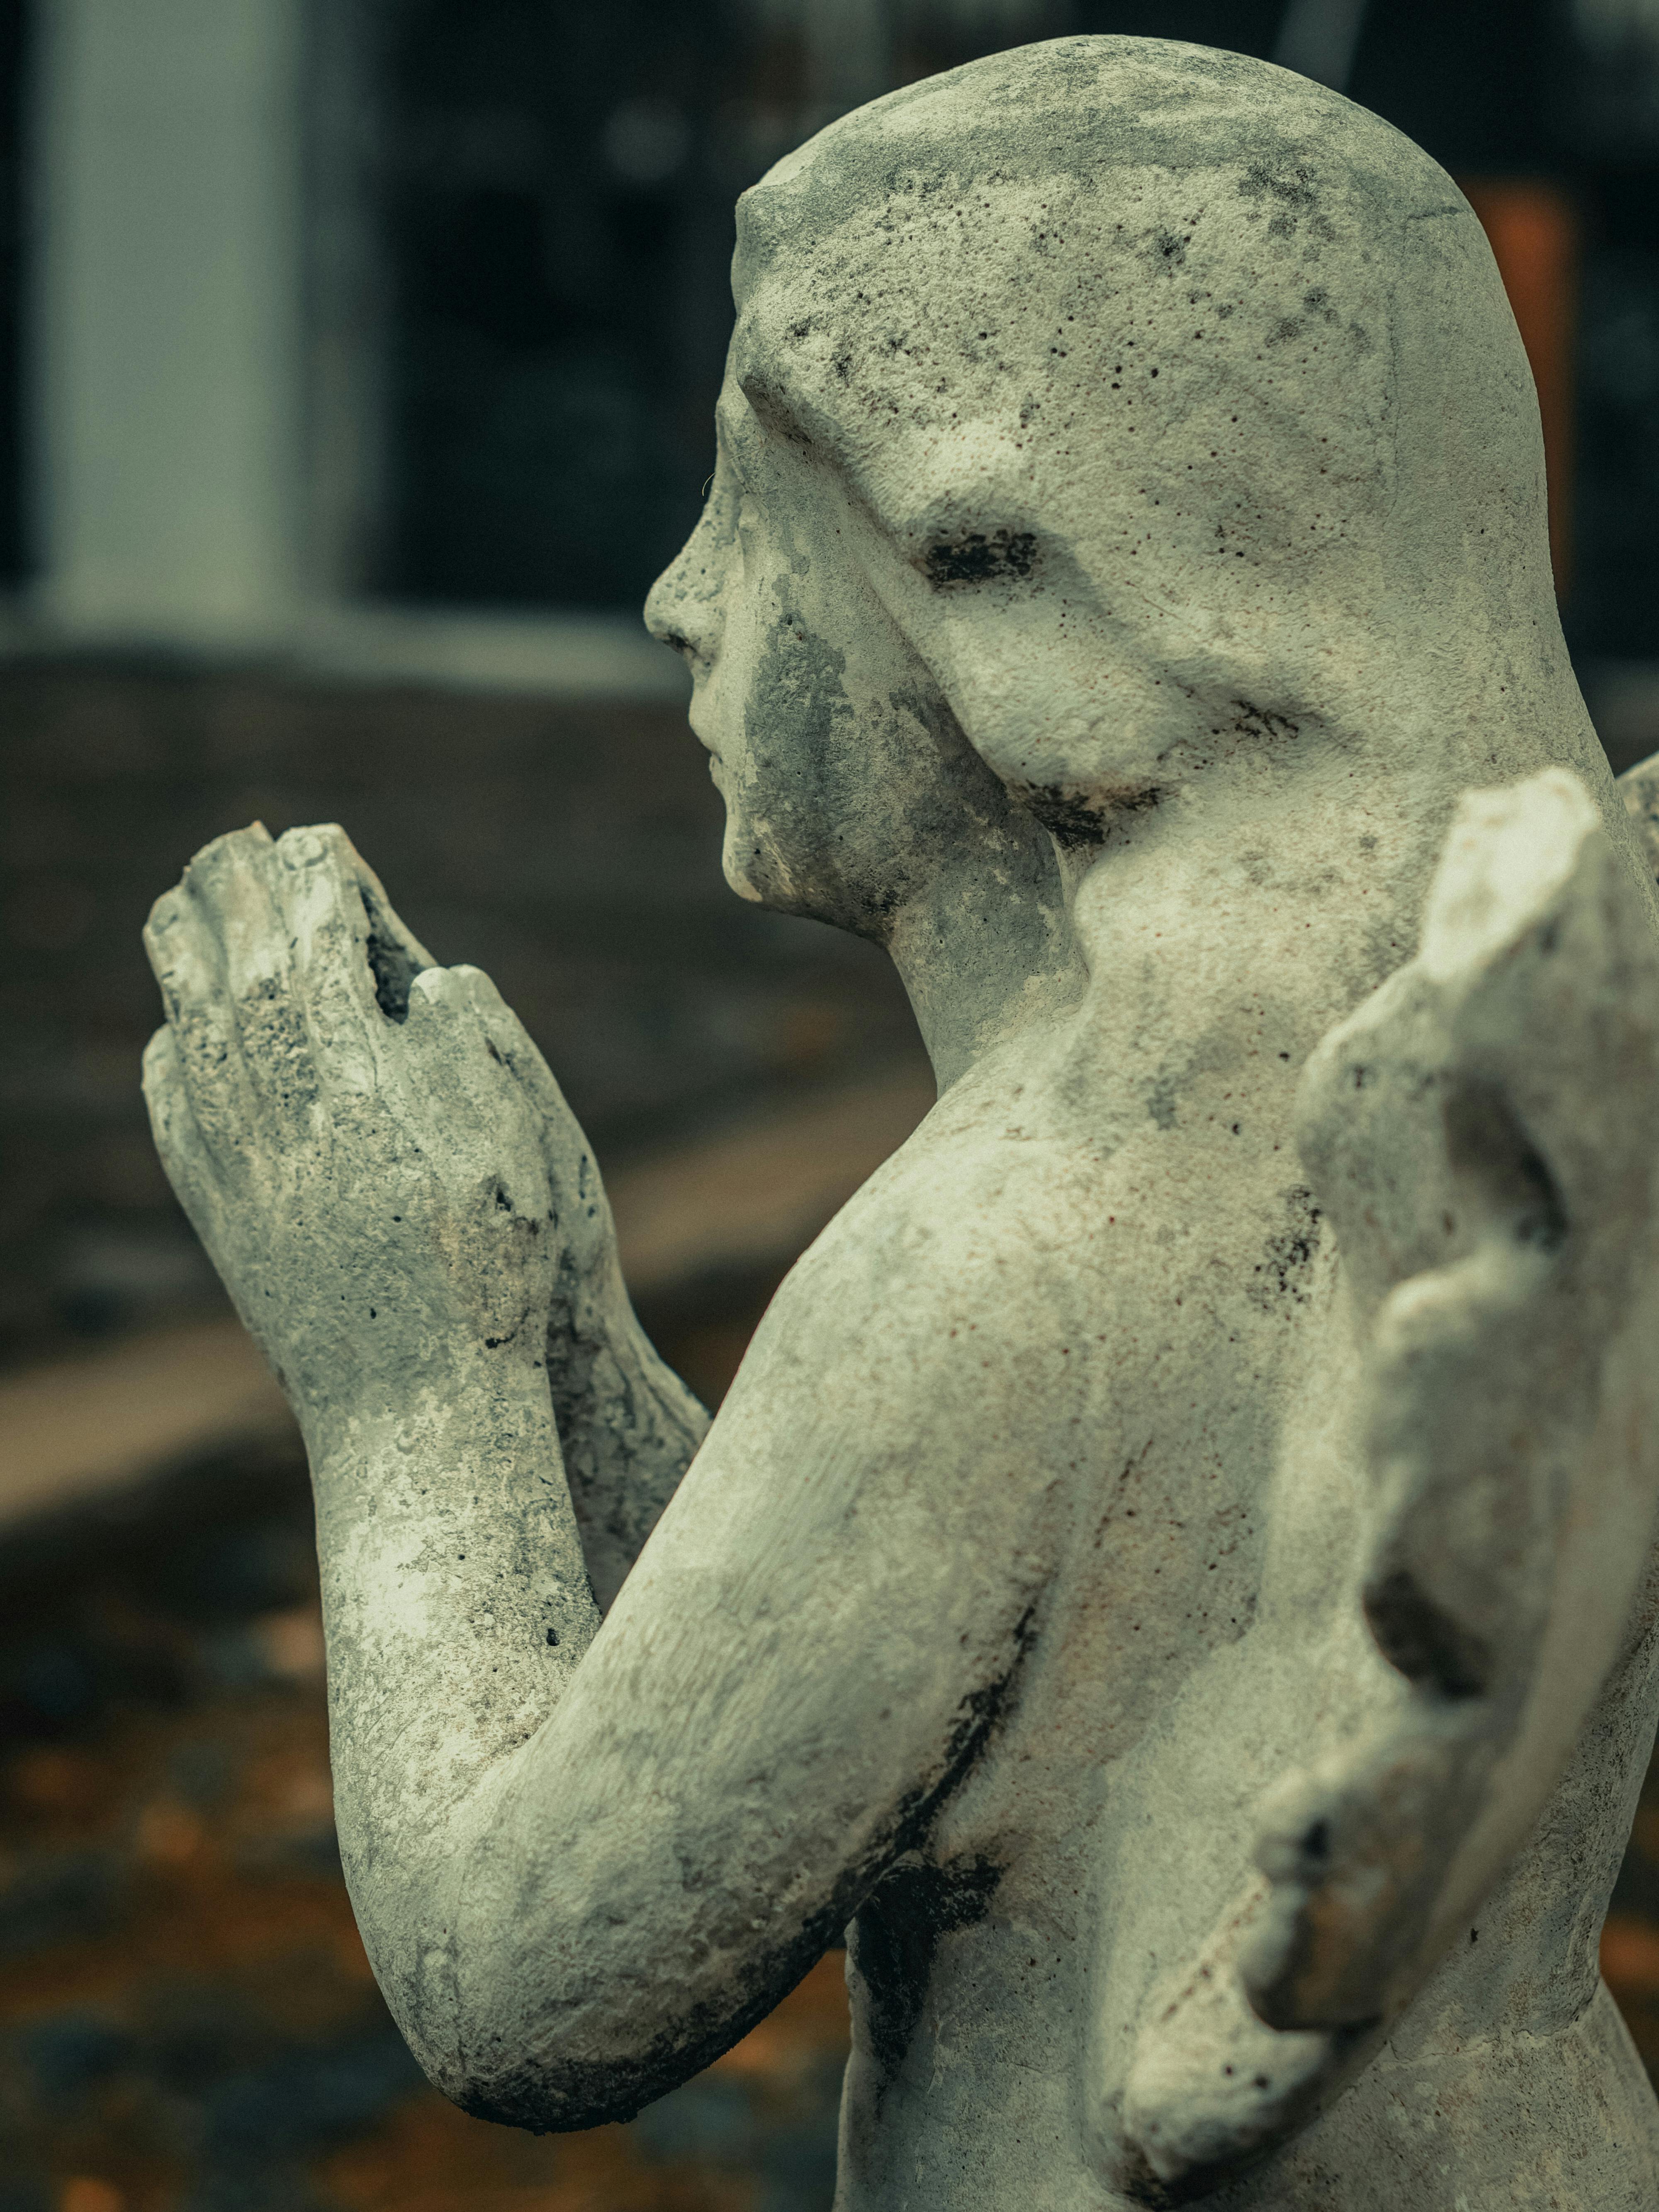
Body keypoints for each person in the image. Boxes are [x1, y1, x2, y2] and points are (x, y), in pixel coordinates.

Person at [141, 38, 1659, 2207]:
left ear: (1008, 583)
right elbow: (894, 1683)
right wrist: (556, 1318)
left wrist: (402, 1376)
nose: (679, 595)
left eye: (749, 508)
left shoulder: (1024, 1252)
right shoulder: (1501, 1038)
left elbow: (522, 1982)